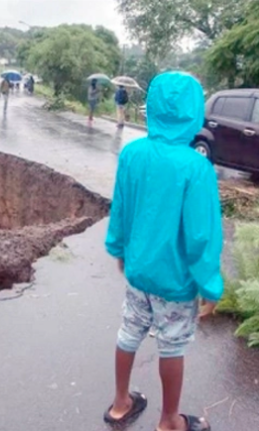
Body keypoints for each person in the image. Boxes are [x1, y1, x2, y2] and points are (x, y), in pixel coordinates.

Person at [104, 71, 222, 431]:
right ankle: (170, 420)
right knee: (172, 345)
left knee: (129, 331)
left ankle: (121, 403)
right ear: (193, 110)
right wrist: (210, 285)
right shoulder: (196, 167)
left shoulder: (132, 154)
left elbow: (121, 209)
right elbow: (201, 235)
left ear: (151, 106)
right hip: (174, 280)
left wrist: (120, 250)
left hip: (139, 271)